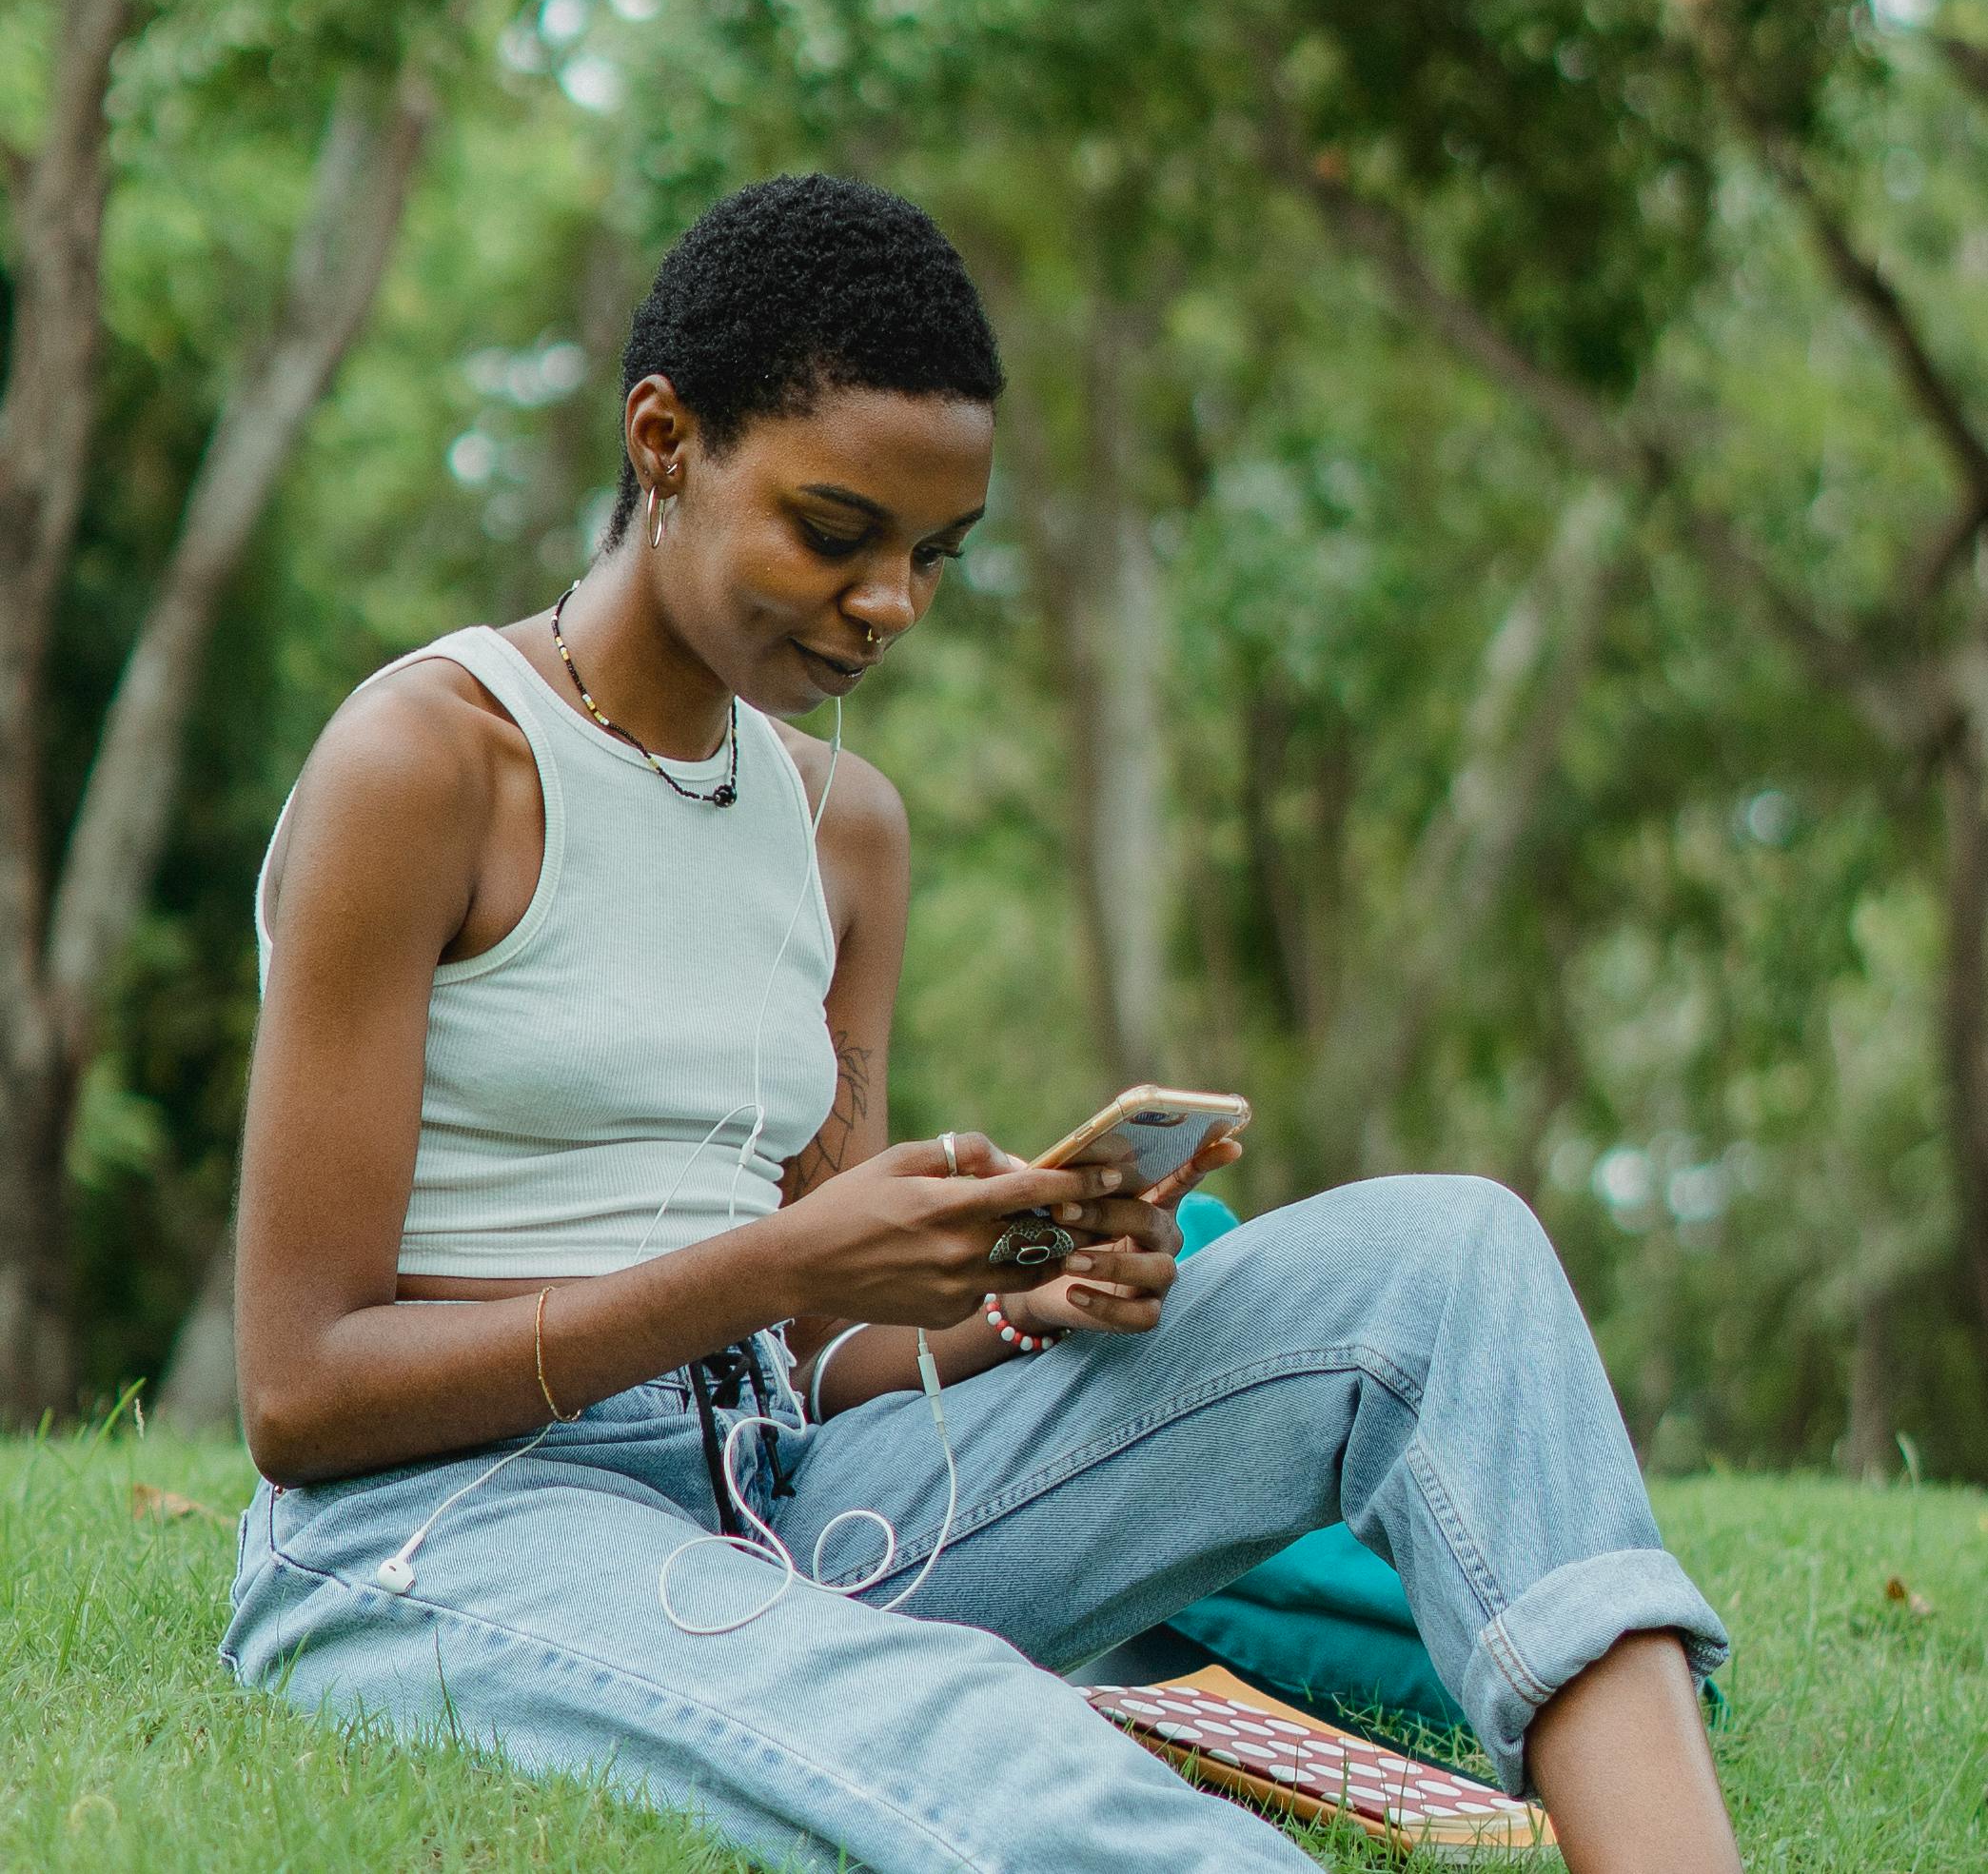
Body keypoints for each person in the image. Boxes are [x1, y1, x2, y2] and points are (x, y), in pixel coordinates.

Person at [223, 172, 1742, 1874]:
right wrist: (792, 1267)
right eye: (836, 529)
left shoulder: (836, 827)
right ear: (664, 440)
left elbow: (809, 1358)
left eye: (935, 553)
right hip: (453, 1520)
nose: (894, 603)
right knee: (1005, 1739)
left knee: (1448, 1261)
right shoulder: (430, 762)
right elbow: (300, 1393)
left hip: (773, 1494)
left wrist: (1013, 1293)